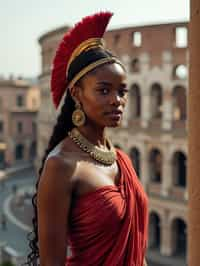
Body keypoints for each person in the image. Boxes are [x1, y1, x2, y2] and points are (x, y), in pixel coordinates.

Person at [25, 11, 149, 266]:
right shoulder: (61, 165)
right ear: (77, 93)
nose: (117, 100)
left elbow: (138, 251)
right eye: (104, 90)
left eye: (122, 91)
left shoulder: (122, 159)